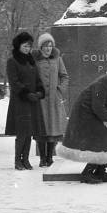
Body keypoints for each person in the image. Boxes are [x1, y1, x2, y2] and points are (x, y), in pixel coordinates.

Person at [5, 32, 46, 170]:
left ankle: (26, 160)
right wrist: (26, 93)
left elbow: (37, 79)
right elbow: (14, 82)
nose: (27, 48)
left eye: (29, 46)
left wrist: (40, 91)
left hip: (33, 101)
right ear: (18, 46)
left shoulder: (31, 60)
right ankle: (18, 161)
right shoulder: (13, 61)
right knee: (22, 132)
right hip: (21, 101)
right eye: (25, 46)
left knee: (29, 132)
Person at [32, 32, 69, 167]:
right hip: (40, 100)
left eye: (50, 45)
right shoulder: (35, 60)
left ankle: (50, 157)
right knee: (41, 128)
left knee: (53, 128)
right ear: (41, 47)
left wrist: (59, 90)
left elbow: (65, 76)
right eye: (45, 46)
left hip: (54, 99)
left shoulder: (57, 59)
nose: (48, 48)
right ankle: (42, 158)